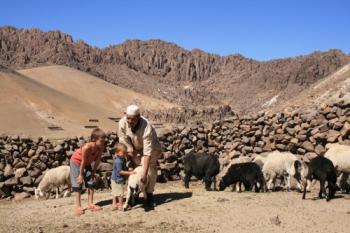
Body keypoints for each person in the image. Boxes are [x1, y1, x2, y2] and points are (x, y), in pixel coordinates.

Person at [118, 105, 162, 207]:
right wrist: (130, 153)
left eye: (132, 119)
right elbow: (123, 140)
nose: (129, 121)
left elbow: (147, 152)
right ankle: (135, 193)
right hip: (135, 147)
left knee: (148, 168)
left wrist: (144, 174)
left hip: (152, 148)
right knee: (134, 167)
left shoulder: (146, 127)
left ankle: (149, 193)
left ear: (138, 117)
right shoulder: (122, 123)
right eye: (128, 118)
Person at [70, 128, 106, 216]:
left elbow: (97, 161)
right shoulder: (87, 147)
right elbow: (82, 161)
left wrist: (93, 173)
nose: (103, 143)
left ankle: (90, 204)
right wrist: (81, 175)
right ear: (94, 139)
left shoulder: (100, 148)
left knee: (91, 181)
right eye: (101, 141)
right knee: (78, 183)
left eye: (104, 141)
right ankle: (78, 206)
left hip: (87, 163)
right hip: (77, 162)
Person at [111, 143, 135, 211]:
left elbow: (123, 168)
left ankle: (114, 204)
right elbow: (120, 171)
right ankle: (121, 206)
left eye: (125, 152)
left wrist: (128, 169)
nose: (125, 154)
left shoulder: (122, 159)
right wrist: (130, 173)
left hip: (114, 178)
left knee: (115, 192)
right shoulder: (118, 161)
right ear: (117, 153)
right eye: (123, 153)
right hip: (117, 179)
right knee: (120, 193)